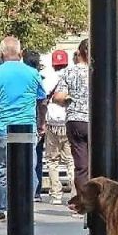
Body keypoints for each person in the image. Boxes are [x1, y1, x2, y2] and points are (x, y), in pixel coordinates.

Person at [0, 37, 47, 221]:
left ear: (1, 54)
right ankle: (25, 204)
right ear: (20, 52)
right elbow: (42, 102)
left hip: (2, 128)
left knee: (0, 169)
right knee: (28, 168)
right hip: (26, 128)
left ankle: (0, 207)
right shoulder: (33, 73)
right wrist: (41, 123)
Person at [53, 39, 90, 202]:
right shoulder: (103, 70)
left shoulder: (69, 72)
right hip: (99, 121)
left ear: (79, 53)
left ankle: (83, 201)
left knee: (81, 166)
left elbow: (58, 96)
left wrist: (67, 101)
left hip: (75, 120)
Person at [41, 50, 76, 205]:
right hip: (68, 122)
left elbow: (42, 100)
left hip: (52, 124)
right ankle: (75, 192)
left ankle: (56, 195)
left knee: (52, 161)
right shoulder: (71, 76)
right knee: (71, 161)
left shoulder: (48, 78)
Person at [23, 50, 46, 202]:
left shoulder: (22, 76)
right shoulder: (37, 77)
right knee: (34, 158)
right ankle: (34, 192)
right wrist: (42, 123)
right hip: (32, 122)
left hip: (14, 123)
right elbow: (42, 101)